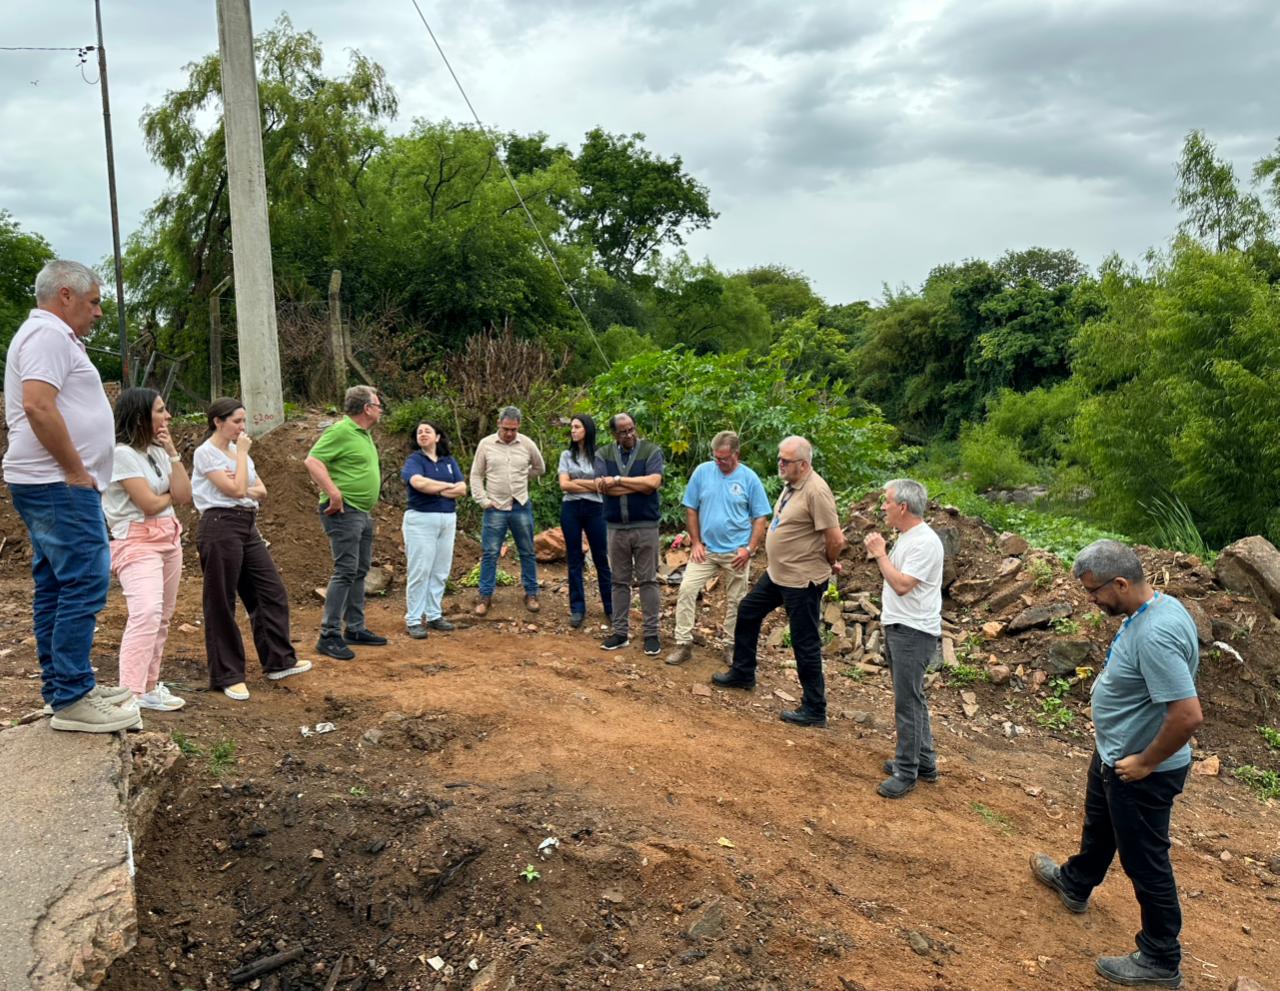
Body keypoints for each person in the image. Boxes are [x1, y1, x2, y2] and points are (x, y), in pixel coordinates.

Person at [1030, 539, 1201, 990]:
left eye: (1095, 592)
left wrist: (1145, 762)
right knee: (1100, 825)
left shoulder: (1156, 634)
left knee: (1145, 861)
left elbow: (1187, 715)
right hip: (1116, 753)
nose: (1091, 600)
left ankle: (1161, 957)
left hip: (1140, 769)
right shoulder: (1154, 608)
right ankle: (1076, 881)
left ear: (1122, 583)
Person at [3, 259, 138, 733]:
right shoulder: (47, 336)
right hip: (57, 484)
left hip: (50, 483)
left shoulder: (52, 337)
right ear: (66, 295)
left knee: (58, 586)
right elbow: (38, 405)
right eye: (94, 301)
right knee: (84, 582)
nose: (98, 313)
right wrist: (76, 470)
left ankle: (67, 687)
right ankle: (72, 696)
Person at [711, 436, 844, 726]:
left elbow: (835, 538)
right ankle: (743, 672)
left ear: (803, 464)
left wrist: (828, 561)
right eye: (779, 459)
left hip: (802, 579)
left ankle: (814, 709)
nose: (780, 465)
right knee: (748, 611)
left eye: (785, 461)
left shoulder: (817, 491)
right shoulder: (792, 483)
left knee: (804, 642)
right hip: (779, 573)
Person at [193, 398, 312, 700]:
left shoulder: (236, 454)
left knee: (269, 591)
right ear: (218, 422)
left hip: (247, 525)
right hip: (219, 524)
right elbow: (233, 490)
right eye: (236, 421)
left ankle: (278, 660)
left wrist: (240, 477)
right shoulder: (206, 453)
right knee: (221, 600)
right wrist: (242, 468)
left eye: (244, 421)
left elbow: (261, 491)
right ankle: (227, 675)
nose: (242, 428)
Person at [102, 388, 192, 711]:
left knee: (163, 617)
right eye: (160, 410)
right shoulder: (121, 453)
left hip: (169, 539)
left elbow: (184, 494)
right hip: (136, 541)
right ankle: (130, 693)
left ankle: (150, 686)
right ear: (140, 415)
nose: (167, 416)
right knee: (147, 614)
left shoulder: (156, 451)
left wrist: (171, 450)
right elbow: (150, 503)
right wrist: (168, 496)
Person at [864, 479, 945, 799]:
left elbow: (901, 584)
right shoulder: (909, 537)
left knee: (907, 703)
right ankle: (923, 762)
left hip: (914, 632)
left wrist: (879, 554)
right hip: (904, 628)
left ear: (902, 507)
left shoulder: (924, 542)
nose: (882, 506)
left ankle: (906, 771)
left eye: (886, 501)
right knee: (913, 698)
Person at [666, 430, 770, 666]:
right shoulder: (703, 472)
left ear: (736, 454)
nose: (719, 462)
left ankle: (732, 645)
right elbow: (691, 508)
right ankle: (683, 643)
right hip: (706, 550)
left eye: (724, 458)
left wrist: (749, 549)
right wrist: (695, 542)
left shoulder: (749, 478)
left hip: (737, 552)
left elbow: (760, 517)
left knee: (736, 600)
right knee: (687, 589)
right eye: (716, 457)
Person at [305, 385, 386, 660]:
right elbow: (313, 460)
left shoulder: (363, 434)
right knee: (345, 570)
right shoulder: (341, 430)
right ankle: (328, 634)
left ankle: (355, 627)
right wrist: (334, 493)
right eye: (377, 405)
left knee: (359, 569)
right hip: (344, 511)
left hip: (361, 512)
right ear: (366, 408)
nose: (380, 409)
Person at [595, 413, 665, 655]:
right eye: (623, 431)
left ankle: (651, 634)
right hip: (616, 527)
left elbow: (653, 483)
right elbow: (604, 489)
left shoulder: (651, 451)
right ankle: (620, 632)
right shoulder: (603, 454)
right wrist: (637, 484)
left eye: (632, 429)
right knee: (619, 581)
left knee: (648, 580)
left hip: (646, 525)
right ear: (614, 434)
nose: (629, 435)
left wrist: (618, 480)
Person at [470, 405, 545, 616]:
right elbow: (476, 474)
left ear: (519, 426)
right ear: (498, 424)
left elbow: (540, 468)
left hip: (521, 505)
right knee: (490, 553)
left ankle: (531, 594)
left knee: (527, 551)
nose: (510, 433)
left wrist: (522, 477)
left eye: (513, 429)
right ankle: (485, 596)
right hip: (495, 507)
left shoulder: (527, 443)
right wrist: (483, 500)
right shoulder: (486, 445)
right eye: (506, 429)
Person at [401, 420, 465, 638]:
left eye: (428, 431)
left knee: (440, 569)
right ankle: (414, 619)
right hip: (420, 519)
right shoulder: (414, 460)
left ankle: (434, 614)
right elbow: (418, 483)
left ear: (438, 437)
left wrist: (435, 489)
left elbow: (463, 489)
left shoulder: (448, 461)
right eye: (419, 431)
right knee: (420, 569)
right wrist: (447, 487)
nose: (423, 434)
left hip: (447, 519)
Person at [557, 414, 612, 630]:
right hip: (571, 508)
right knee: (574, 558)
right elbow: (564, 485)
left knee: (601, 558)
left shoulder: (600, 456)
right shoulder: (566, 455)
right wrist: (589, 484)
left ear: (587, 429)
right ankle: (578, 608)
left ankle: (610, 607)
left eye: (577, 427)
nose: (573, 430)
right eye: (571, 427)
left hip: (596, 508)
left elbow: (604, 486)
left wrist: (577, 481)